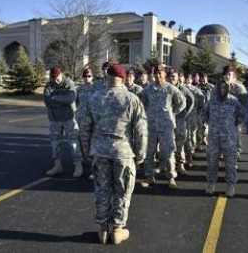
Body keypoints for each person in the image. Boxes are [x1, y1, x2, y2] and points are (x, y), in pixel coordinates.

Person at [79, 63, 148, 244]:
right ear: (123, 79)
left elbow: (84, 127)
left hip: (100, 152)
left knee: (102, 190)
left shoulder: (94, 98)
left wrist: (86, 151)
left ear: (106, 77)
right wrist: (140, 154)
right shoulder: (131, 99)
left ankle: (103, 229)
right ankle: (117, 229)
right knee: (122, 191)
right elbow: (141, 130)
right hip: (123, 153)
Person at [140, 64, 186, 189]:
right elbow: (142, 103)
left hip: (166, 126)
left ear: (165, 74)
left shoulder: (170, 89)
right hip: (150, 126)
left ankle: (171, 178)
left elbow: (182, 102)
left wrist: (172, 113)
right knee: (149, 152)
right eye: (156, 73)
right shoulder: (148, 89)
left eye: (161, 73)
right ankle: (149, 177)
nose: (158, 75)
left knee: (168, 153)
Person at [203, 80, 245, 197]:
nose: (222, 90)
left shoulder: (233, 101)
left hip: (229, 137)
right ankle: (211, 183)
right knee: (212, 161)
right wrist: (210, 125)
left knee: (230, 162)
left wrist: (232, 126)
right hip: (214, 137)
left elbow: (241, 114)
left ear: (227, 89)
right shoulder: (212, 101)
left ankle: (230, 185)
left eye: (224, 88)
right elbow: (204, 114)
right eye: (220, 88)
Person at [44, 66, 83, 177]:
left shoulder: (69, 83)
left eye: (56, 77)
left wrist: (55, 98)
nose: (55, 80)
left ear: (61, 74)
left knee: (74, 143)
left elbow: (71, 98)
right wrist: (62, 101)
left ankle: (78, 165)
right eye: (53, 78)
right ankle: (57, 166)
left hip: (69, 119)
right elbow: (47, 101)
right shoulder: (49, 85)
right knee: (55, 143)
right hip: (54, 119)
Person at [167, 70, 195, 176]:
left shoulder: (183, 89)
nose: (172, 78)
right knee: (168, 144)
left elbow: (192, 100)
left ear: (178, 77)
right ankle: (168, 166)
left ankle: (180, 164)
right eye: (170, 76)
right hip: (168, 121)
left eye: (174, 76)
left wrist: (186, 114)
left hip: (179, 120)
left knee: (180, 143)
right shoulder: (166, 88)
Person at [220, 65, 248, 158]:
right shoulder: (219, 87)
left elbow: (245, 104)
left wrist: (240, 118)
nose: (227, 76)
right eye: (225, 74)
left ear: (234, 76)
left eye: (229, 74)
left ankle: (235, 154)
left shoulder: (239, 88)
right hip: (222, 118)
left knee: (235, 138)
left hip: (235, 119)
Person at [76, 67, 95, 181]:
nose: (87, 78)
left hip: (93, 120)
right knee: (82, 144)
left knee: (93, 144)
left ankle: (94, 170)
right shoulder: (79, 89)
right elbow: (76, 103)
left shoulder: (96, 89)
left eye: (89, 76)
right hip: (81, 120)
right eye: (85, 76)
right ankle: (81, 166)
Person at [184, 79, 206, 166]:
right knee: (185, 136)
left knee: (192, 133)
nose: (186, 81)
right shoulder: (180, 88)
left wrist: (198, 109)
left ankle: (191, 151)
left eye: (188, 79)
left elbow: (201, 100)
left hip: (193, 112)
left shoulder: (195, 89)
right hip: (182, 113)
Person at [197, 72, 215, 150]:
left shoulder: (212, 87)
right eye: (202, 78)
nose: (203, 80)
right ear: (199, 79)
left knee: (208, 127)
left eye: (205, 78)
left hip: (209, 110)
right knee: (199, 127)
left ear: (207, 79)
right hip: (199, 110)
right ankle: (198, 143)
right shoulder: (196, 87)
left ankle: (205, 140)